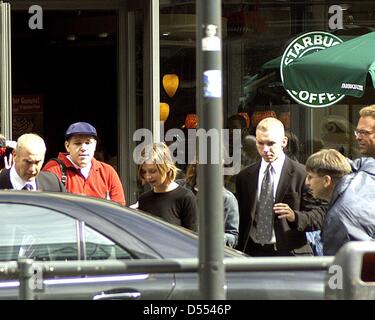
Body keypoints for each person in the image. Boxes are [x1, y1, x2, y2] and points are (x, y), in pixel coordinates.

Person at [235, 117, 326, 256]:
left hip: (288, 252)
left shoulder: (302, 174)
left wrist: (294, 216)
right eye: (260, 143)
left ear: (284, 142)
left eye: (271, 143)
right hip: (252, 252)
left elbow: (319, 216)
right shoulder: (245, 176)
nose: (265, 149)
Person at [305, 149, 375, 255]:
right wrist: (336, 164)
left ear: (326, 180)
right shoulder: (366, 172)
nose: (306, 182)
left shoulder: (338, 219)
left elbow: (341, 268)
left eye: (310, 177)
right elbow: (366, 162)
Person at [42, 122, 126, 205]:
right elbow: (44, 206)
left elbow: (119, 209)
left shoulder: (107, 172)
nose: (83, 148)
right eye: (78, 143)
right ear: (67, 146)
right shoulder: (53, 169)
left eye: (88, 143)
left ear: (95, 145)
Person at [137, 142, 198, 232]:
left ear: (166, 167)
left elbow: (192, 237)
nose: (148, 176)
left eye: (153, 171)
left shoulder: (185, 197)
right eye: (144, 172)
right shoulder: (143, 200)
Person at [176, 162, 239, 247]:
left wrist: (219, 237)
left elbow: (233, 237)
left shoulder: (227, 198)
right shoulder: (179, 186)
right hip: (174, 242)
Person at [0, 133, 66, 192]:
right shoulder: (2, 181)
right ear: (15, 155)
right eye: (27, 162)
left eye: (37, 162)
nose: (32, 169)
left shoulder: (53, 183)